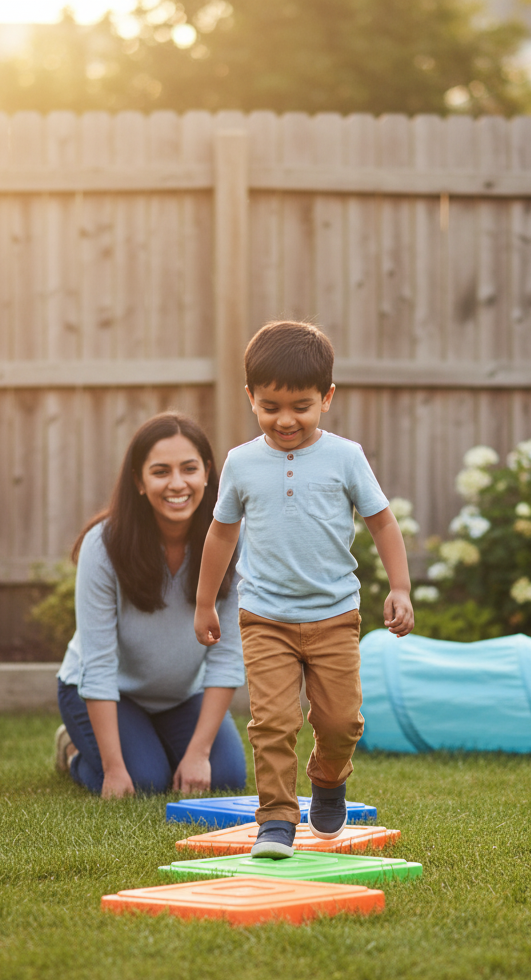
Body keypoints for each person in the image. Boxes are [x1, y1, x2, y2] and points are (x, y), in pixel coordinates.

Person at [194, 321, 413, 858]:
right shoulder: (242, 463)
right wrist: (204, 601)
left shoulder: (345, 456)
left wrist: (401, 588)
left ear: (327, 398)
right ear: (250, 398)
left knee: (341, 721)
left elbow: (383, 522)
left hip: (334, 615)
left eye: (300, 406)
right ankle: (276, 819)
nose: (285, 420)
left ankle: (329, 778)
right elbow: (221, 532)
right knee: (273, 721)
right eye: (270, 407)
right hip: (264, 616)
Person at [54, 412, 246, 798]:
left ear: (207, 473)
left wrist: (198, 753)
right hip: (103, 690)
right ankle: (73, 750)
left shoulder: (233, 542)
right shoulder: (103, 545)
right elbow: (100, 663)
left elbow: (227, 656)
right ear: (139, 481)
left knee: (224, 776)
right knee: (143, 782)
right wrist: (112, 767)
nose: (178, 483)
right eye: (160, 471)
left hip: (179, 695)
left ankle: (154, 741)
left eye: (189, 469)